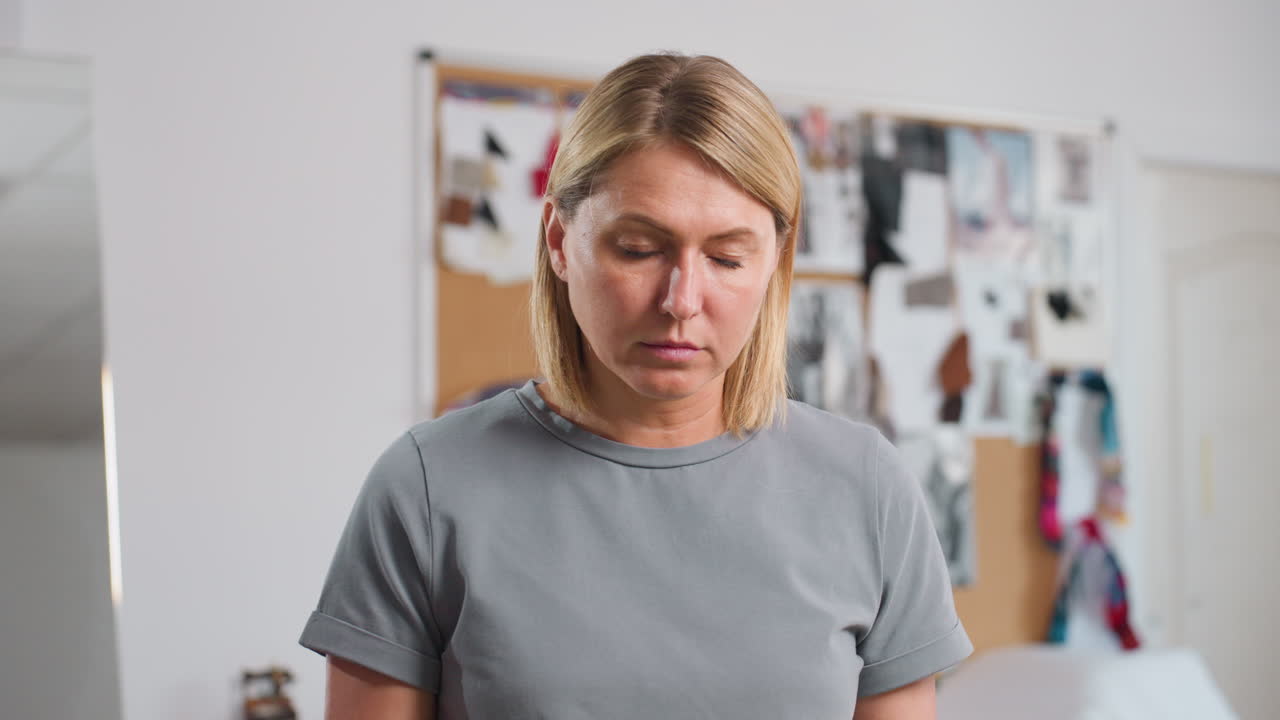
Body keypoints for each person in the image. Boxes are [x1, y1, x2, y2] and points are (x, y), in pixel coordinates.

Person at [299, 52, 971, 719]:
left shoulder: (867, 489)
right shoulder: (425, 487)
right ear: (561, 241)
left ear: (776, 262)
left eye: (727, 257)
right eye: (638, 249)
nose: (682, 299)